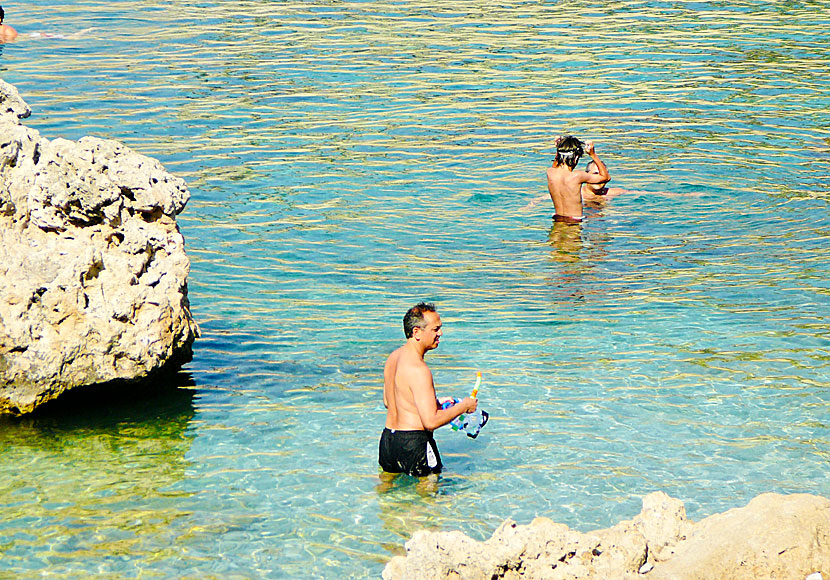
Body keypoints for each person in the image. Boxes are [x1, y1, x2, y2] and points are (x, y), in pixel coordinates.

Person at [378, 302, 477, 477]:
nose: (440, 333)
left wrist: (435, 403)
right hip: (414, 443)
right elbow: (431, 421)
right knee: (428, 500)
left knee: (387, 497)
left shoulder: (393, 358)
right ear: (416, 332)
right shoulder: (419, 369)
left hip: (388, 441)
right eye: (435, 329)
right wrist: (464, 406)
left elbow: (389, 401)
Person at [545, 136, 610, 223]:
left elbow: (557, 165)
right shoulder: (577, 176)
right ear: (575, 158)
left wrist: (559, 148)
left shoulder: (550, 173)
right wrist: (593, 155)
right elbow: (606, 177)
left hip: (557, 220)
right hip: (573, 222)